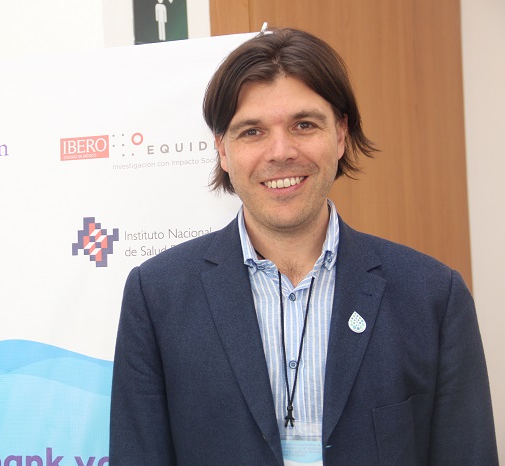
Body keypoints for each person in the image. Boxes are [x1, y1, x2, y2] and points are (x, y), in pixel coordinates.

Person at [109, 27, 498, 465]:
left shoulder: (433, 297)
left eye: (304, 125)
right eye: (252, 131)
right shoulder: (157, 297)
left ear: (340, 134)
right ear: (222, 150)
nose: (281, 152)